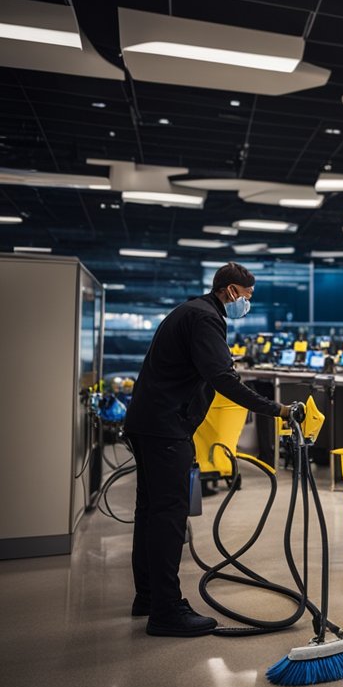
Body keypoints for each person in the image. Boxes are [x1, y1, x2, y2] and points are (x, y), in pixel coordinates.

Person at [124, 262, 294, 637]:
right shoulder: (205, 319)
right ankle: (166, 612)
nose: (246, 304)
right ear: (231, 291)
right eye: (246, 298)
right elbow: (222, 378)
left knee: (151, 512)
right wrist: (276, 409)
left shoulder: (192, 311)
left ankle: (149, 597)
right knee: (169, 515)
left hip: (150, 423)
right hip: (164, 428)